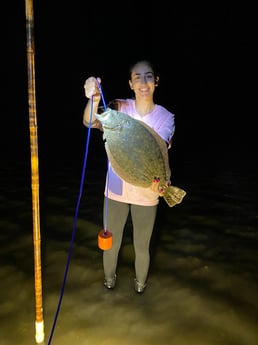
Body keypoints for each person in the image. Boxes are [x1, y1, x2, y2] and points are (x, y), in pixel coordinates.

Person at [83, 60, 175, 293]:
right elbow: (89, 121)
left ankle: (140, 286)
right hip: (115, 188)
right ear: (130, 84)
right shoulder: (119, 107)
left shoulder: (166, 117)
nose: (143, 82)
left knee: (141, 246)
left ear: (156, 82)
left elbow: (158, 147)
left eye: (148, 76)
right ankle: (109, 282)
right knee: (110, 243)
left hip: (147, 193)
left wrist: (162, 184)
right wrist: (93, 99)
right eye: (137, 77)